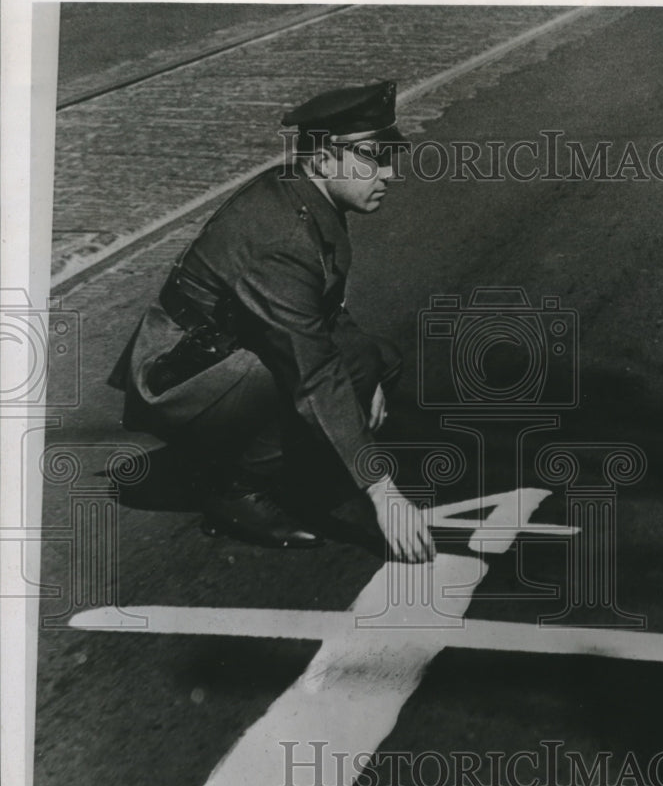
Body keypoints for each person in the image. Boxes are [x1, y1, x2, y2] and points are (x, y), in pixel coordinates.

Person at [109, 79, 435, 562]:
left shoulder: (307, 196)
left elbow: (322, 309)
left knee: (375, 361)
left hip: (220, 350)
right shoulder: (282, 237)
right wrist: (382, 491)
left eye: (391, 154)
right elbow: (314, 373)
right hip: (179, 373)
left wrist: (372, 374)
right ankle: (231, 486)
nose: (388, 171)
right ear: (324, 158)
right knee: (338, 374)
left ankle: (270, 462)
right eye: (372, 155)